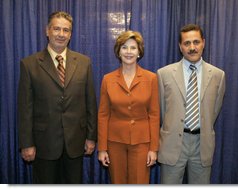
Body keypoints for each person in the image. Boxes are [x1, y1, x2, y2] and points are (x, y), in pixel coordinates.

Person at [18, 11, 97, 184]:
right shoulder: (29, 64)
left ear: (71, 34)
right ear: (47, 31)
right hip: (43, 145)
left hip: (75, 143)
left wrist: (91, 137)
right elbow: (25, 108)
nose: (61, 34)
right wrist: (26, 143)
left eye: (66, 30)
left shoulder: (84, 63)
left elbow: (90, 102)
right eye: (57, 29)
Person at [157, 24, 225, 184]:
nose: (192, 47)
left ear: (204, 43)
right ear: (180, 46)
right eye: (187, 43)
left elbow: (214, 110)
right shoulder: (163, 74)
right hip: (172, 144)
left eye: (196, 42)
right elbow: (162, 109)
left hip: (202, 145)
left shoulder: (218, 75)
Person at [97, 30, 160, 184]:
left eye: (133, 48)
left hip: (142, 142)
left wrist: (153, 148)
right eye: (124, 47)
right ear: (118, 52)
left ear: (139, 52)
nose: (129, 52)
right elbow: (103, 115)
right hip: (115, 142)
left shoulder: (151, 78)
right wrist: (102, 148)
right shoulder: (108, 79)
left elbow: (154, 114)